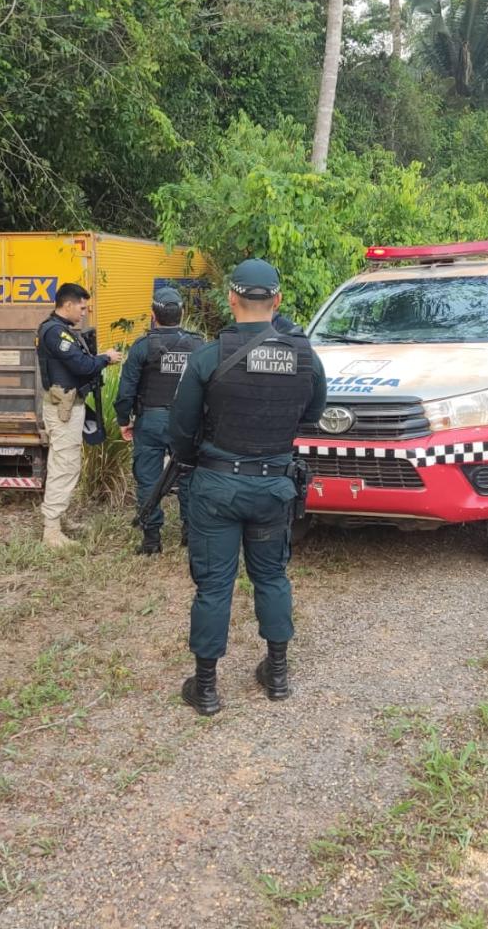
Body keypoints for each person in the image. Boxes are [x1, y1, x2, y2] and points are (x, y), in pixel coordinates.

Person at [168, 259, 327, 715]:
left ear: (231, 298)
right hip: (274, 486)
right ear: (277, 300)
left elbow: (181, 431)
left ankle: (206, 688)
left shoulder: (208, 356)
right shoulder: (305, 357)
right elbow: (313, 413)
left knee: (214, 586)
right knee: (272, 577)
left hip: (217, 486)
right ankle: (277, 674)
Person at [115, 288, 204, 555]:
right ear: (182, 313)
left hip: (151, 421)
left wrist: (124, 420)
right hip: (187, 422)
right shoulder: (199, 345)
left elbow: (126, 390)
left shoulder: (142, 346)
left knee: (148, 478)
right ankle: (190, 533)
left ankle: (151, 539)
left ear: (153, 315)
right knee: (190, 476)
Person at [37, 282, 122, 548]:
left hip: (69, 406)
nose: (84, 312)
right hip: (63, 410)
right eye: (82, 308)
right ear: (68, 304)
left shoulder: (61, 330)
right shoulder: (55, 333)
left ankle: (59, 517)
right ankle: (51, 531)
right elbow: (81, 365)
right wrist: (105, 359)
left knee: (63, 463)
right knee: (65, 465)